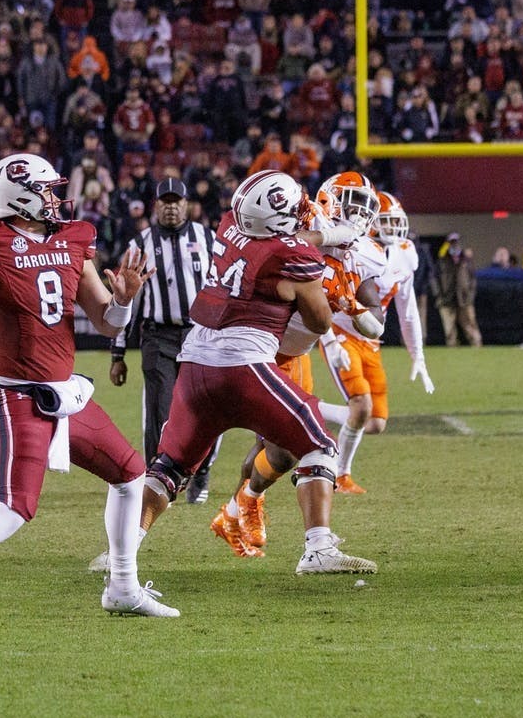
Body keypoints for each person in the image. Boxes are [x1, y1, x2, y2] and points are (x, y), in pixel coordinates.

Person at [0, 153, 178, 631]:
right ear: (19, 196)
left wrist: (124, 300)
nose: (54, 198)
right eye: (45, 190)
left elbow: (106, 321)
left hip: (62, 392)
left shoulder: (71, 239)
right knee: (13, 507)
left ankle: (123, 588)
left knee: (129, 473)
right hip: (15, 395)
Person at [140, 170, 377, 575]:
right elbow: (320, 322)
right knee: (319, 444)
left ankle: (121, 551)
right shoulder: (295, 256)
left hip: (195, 362)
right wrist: (334, 271)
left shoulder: (230, 224)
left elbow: (292, 239)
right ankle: (318, 548)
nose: (304, 208)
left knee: (170, 467)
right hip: (243, 364)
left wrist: (328, 241)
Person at [109, 178, 218, 509]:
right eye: (165, 201)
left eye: (177, 201)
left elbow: (221, 288)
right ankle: (158, 480)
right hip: (158, 336)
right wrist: (118, 353)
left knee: (207, 409)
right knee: (159, 410)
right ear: (156, 206)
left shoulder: (207, 239)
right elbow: (125, 299)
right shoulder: (139, 244)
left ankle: (200, 472)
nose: (171, 207)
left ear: (187, 205)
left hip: (199, 335)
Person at [318, 191, 435, 493]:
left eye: (397, 221)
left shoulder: (406, 252)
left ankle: (311, 411)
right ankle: (340, 476)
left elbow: (407, 311)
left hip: (371, 341)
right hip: (342, 331)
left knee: (375, 422)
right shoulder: (354, 248)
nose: (393, 228)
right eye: (386, 221)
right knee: (360, 406)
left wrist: (418, 356)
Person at [436, 232, 482, 346]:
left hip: (464, 298)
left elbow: (472, 279)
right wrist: (439, 294)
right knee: (449, 327)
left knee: (470, 325)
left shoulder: (466, 260)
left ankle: (477, 345)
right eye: (452, 243)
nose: (454, 245)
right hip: (447, 297)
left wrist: (470, 295)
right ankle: (452, 347)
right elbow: (436, 279)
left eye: (456, 242)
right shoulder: (443, 260)